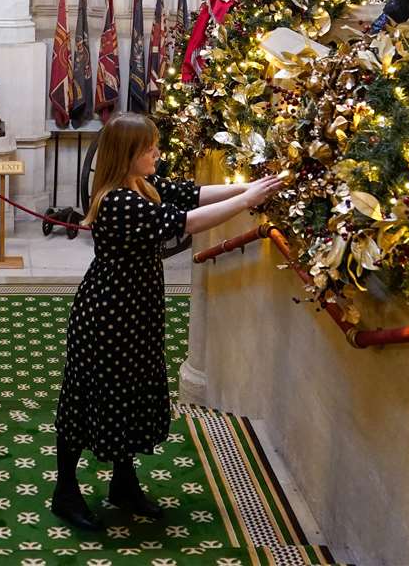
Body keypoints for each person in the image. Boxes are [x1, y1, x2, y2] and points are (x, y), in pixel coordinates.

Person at [51, 112, 283, 531]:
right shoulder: (119, 200)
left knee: (131, 394)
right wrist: (248, 201)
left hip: (135, 313)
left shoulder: (141, 185)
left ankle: (123, 482)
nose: (157, 151)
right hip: (108, 316)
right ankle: (65, 491)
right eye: (150, 147)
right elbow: (185, 222)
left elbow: (192, 195)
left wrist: (250, 187)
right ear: (129, 154)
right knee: (89, 398)